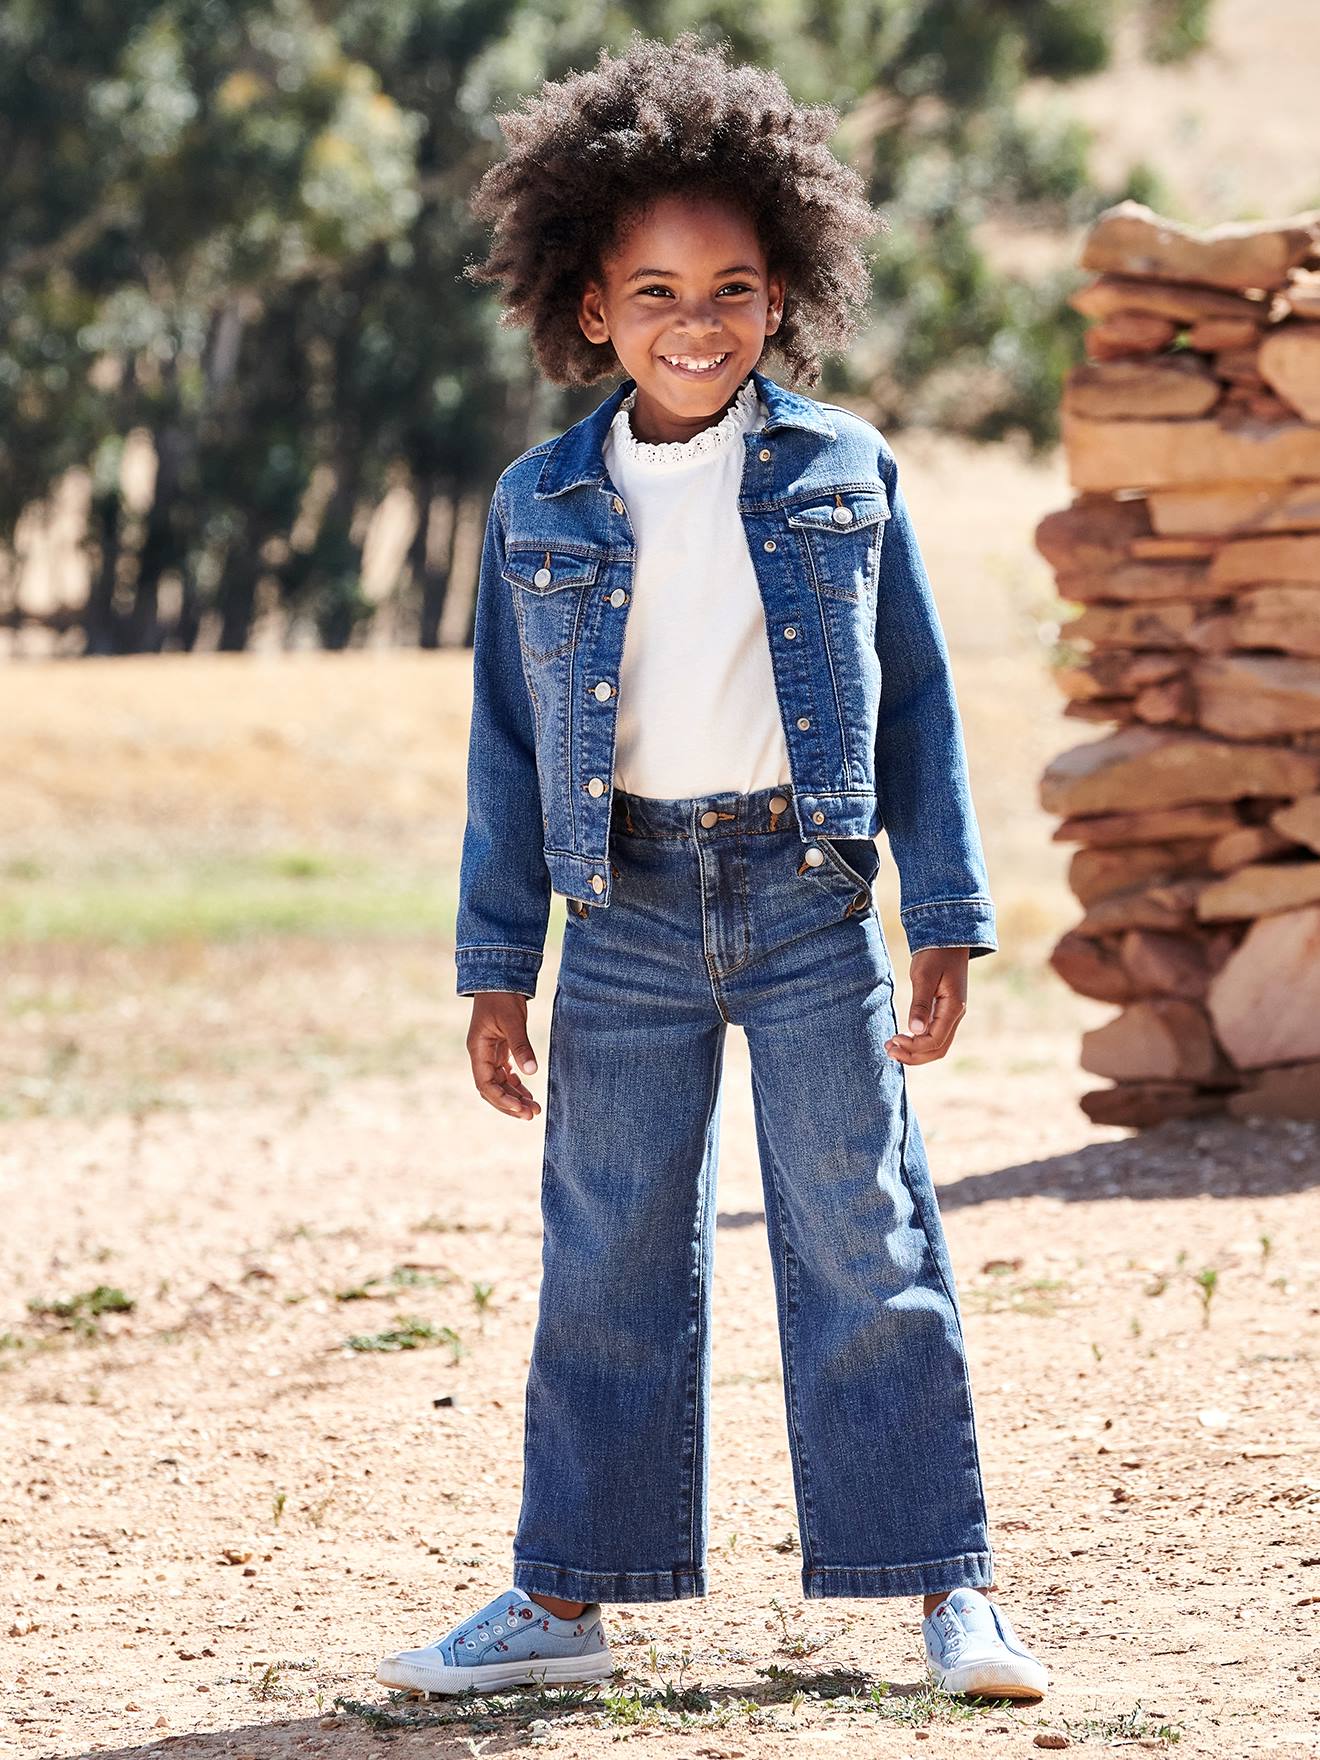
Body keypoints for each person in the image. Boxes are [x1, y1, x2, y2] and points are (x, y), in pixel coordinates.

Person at [377, 29, 1048, 1705]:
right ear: (590, 307)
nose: (700, 320)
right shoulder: (540, 503)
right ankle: (564, 1602)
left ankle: (947, 1590)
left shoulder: (843, 472)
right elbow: (507, 753)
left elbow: (919, 712)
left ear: (786, 294)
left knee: (863, 1241)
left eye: (735, 287)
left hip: (813, 903)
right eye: (657, 289)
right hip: (621, 918)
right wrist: (491, 966)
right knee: (606, 1256)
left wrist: (943, 912)